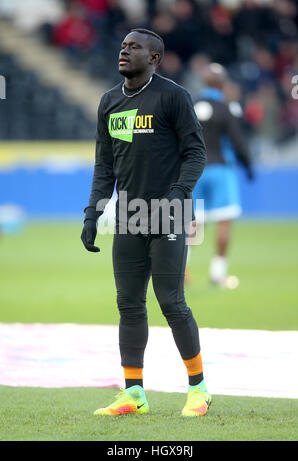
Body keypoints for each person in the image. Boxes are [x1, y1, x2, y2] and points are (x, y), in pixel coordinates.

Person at [81, 28, 211, 416]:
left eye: (134, 47)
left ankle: (199, 389)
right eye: (122, 45)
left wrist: (179, 194)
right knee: (128, 303)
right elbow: (104, 166)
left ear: (154, 58)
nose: (124, 50)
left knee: (171, 301)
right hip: (128, 216)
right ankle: (134, 393)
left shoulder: (173, 96)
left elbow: (196, 153)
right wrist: (93, 213)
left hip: (169, 213)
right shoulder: (109, 103)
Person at [187, 63, 254, 287]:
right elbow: (238, 142)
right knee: (224, 220)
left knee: (192, 224)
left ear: (204, 82)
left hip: (193, 170)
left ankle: (180, 271)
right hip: (220, 169)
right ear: (223, 84)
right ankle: (218, 274)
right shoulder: (227, 108)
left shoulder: (190, 105)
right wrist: (248, 167)